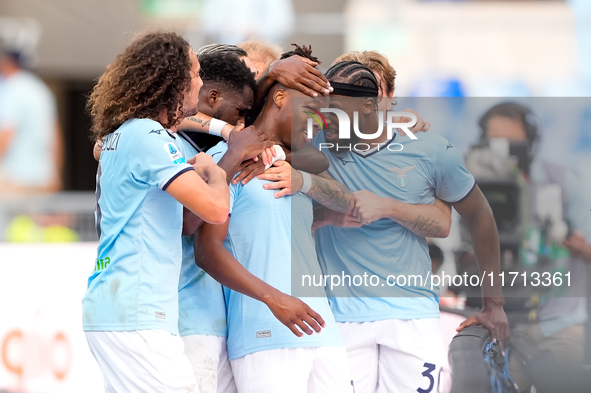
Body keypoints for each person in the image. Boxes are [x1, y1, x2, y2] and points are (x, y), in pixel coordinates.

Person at [311, 61, 509, 393]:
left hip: (411, 315)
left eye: (337, 113)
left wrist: (494, 305)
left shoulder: (430, 148)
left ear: (368, 105)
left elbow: (480, 216)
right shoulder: (313, 142)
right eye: (324, 111)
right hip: (338, 316)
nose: (326, 121)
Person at [82, 31, 258, 393]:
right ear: (174, 82)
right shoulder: (148, 136)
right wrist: (213, 169)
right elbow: (215, 208)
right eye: (194, 74)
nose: (199, 81)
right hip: (136, 310)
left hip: (120, 306)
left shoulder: (126, 132)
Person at [196, 46, 354, 393]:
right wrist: (273, 299)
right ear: (280, 96)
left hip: (324, 333)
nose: (319, 124)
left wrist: (285, 158)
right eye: (311, 111)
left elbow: (346, 200)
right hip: (264, 333)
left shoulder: (297, 164)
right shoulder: (227, 158)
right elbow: (206, 250)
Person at [474, 102, 591, 393]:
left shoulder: (563, 181)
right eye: (494, 142)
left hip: (557, 322)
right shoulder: (473, 185)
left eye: (514, 144)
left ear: (531, 143)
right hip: (503, 323)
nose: (505, 150)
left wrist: (579, 246)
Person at [177, 51, 258, 393]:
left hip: (217, 320)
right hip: (185, 316)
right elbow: (188, 221)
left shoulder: (209, 145)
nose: (243, 125)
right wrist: (233, 148)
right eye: (241, 113)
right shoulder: (169, 143)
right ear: (212, 96)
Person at [0, 41, 63, 193]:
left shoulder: (12, 88)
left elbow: (6, 134)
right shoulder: (41, 89)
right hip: (43, 179)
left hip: (16, 180)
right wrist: (56, 174)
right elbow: (56, 137)